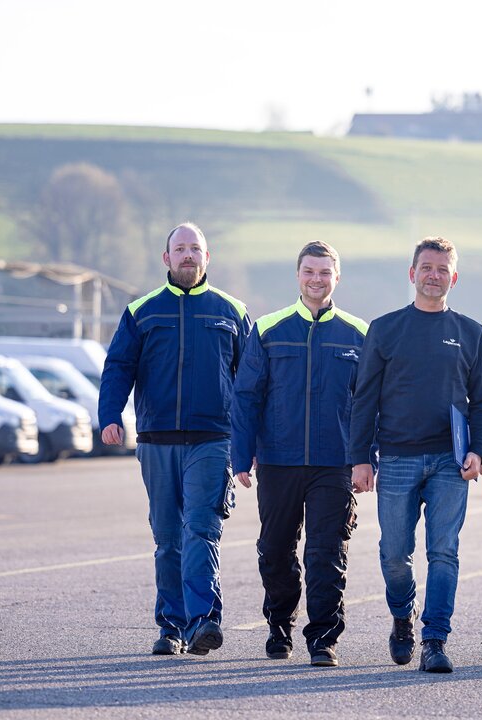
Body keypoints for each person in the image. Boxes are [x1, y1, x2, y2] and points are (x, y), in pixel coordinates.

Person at [99, 222, 251, 656]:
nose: (188, 255)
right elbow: (117, 368)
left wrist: (250, 441)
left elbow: (252, 383)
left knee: (201, 529)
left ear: (207, 257)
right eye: (180, 248)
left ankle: (205, 619)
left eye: (195, 249)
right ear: (166, 258)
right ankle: (171, 626)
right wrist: (110, 415)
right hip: (156, 440)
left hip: (213, 439)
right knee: (167, 537)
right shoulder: (142, 312)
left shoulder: (232, 311)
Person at [349, 236, 482, 674]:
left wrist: (479, 449)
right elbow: (363, 399)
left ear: (455, 277)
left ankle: (435, 639)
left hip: (450, 463)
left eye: (443, 269)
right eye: (427, 268)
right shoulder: (386, 328)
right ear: (412, 274)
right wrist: (360, 457)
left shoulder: (470, 333)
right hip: (395, 459)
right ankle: (402, 616)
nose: (435, 275)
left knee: (444, 552)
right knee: (394, 554)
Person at [230, 241, 367, 668]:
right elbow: (246, 397)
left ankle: (324, 638)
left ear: (337, 277)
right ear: (298, 275)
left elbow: (370, 403)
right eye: (309, 271)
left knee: (327, 553)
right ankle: (279, 625)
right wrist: (242, 455)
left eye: (325, 272)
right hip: (278, 460)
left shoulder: (358, 334)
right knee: (275, 550)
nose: (316, 279)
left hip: (335, 463)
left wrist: (367, 458)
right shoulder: (269, 329)